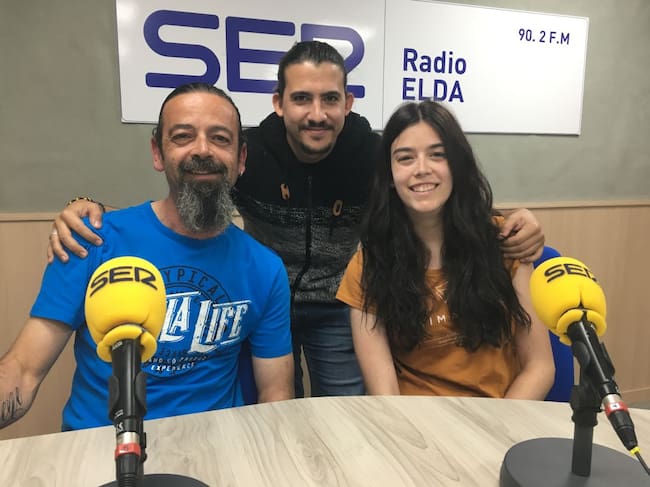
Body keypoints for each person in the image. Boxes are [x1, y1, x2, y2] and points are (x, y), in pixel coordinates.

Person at [47, 41, 545, 398]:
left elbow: (431, 189)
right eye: (302, 98)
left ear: (348, 104)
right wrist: (85, 203)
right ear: (278, 103)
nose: (316, 114)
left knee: (344, 415)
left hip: (341, 307)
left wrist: (509, 221)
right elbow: (187, 184)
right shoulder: (246, 152)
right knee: (273, 407)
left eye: (330, 99)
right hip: (266, 302)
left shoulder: (375, 155)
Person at [0, 83, 293, 431]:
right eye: (183, 136)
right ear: (158, 152)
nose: (202, 150)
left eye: (220, 138)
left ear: (240, 158)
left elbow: (276, 392)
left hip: (214, 444)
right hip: (101, 443)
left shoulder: (266, 269)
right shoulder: (92, 241)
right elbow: (24, 370)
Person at [336, 100, 555, 399]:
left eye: (437, 155)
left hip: (500, 415)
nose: (422, 169)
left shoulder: (505, 243)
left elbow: (540, 367)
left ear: (457, 165)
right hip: (413, 422)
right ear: (389, 176)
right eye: (405, 158)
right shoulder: (368, 265)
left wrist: (497, 427)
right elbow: (384, 393)